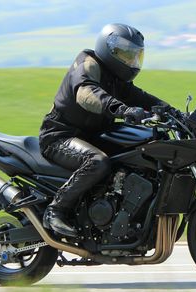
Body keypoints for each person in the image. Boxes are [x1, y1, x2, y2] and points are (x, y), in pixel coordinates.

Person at [39, 23, 179, 238]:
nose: (131, 61)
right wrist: (121, 109)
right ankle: (55, 210)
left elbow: (140, 97)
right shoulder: (88, 64)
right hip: (60, 136)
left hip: (93, 136)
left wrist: (173, 112)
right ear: (108, 49)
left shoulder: (116, 79)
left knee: (142, 150)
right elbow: (87, 94)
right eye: (125, 54)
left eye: (135, 56)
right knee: (97, 162)